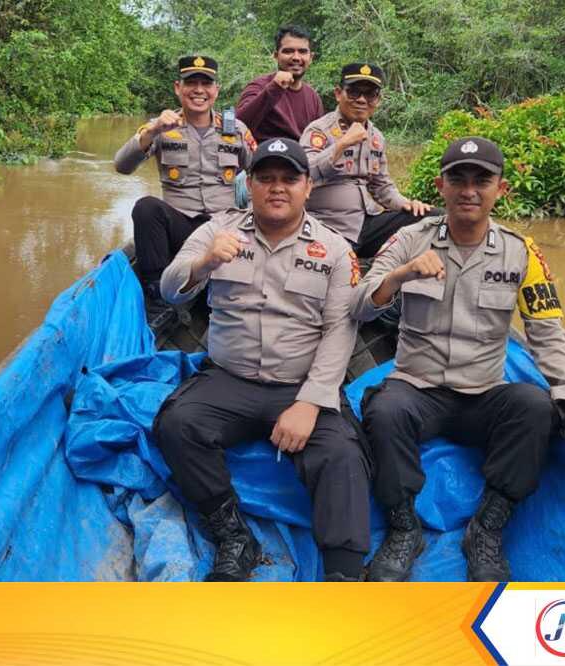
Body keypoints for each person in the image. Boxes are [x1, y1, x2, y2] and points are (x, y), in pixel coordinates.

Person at [352, 137, 565, 582]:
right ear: (441, 185)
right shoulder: (409, 239)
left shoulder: (522, 253)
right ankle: (403, 528)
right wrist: (401, 274)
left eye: (481, 180)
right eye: (458, 179)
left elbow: (547, 334)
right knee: (382, 408)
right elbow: (359, 306)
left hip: (483, 393)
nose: (469, 190)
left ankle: (487, 529)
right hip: (416, 386)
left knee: (534, 407)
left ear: (500, 189)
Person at [153, 138, 370, 582]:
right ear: (247, 184)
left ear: (307, 186)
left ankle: (344, 576)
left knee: (344, 456)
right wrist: (204, 263)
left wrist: (311, 403)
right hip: (229, 379)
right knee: (176, 425)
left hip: (300, 382)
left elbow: (340, 331)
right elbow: (169, 290)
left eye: (289, 178)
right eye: (265, 178)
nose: (277, 188)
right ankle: (232, 534)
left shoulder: (335, 249)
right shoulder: (218, 230)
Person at [114, 55, 256, 331]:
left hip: (222, 227)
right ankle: (158, 297)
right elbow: (122, 166)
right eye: (191, 83)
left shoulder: (236, 130)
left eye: (206, 83)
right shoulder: (162, 127)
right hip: (179, 225)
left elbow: (259, 171)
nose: (199, 90)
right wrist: (153, 131)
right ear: (178, 88)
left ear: (217, 89)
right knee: (146, 207)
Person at [301, 63, 436, 258]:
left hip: (367, 222)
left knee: (433, 218)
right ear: (339, 94)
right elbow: (302, 174)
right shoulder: (319, 130)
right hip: (328, 224)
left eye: (370, 94)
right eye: (354, 92)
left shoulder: (376, 137)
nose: (362, 100)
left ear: (378, 100)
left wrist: (406, 204)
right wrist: (342, 144)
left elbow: (382, 186)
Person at [236, 25, 325, 143]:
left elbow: (318, 139)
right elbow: (238, 126)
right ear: (276, 56)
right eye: (288, 51)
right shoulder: (259, 87)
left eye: (302, 52)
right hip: (264, 157)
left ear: (311, 57)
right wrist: (275, 88)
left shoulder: (313, 97)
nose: (296, 57)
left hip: (301, 158)